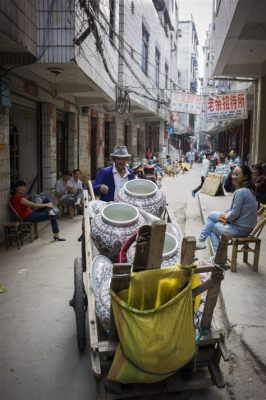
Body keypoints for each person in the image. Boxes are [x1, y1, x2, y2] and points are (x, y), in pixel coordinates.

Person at [196, 165, 257, 251]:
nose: (234, 177)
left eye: (237, 174)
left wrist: (225, 219)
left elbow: (234, 213)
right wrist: (223, 216)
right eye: (233, 174)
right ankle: (203, 243)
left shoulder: (241, 192)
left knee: (212, 225)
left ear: (245, 177)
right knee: (213, 217)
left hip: (240, 230)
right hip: (244, 228)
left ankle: (214, 252)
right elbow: (233, 209)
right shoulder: (249, 190)